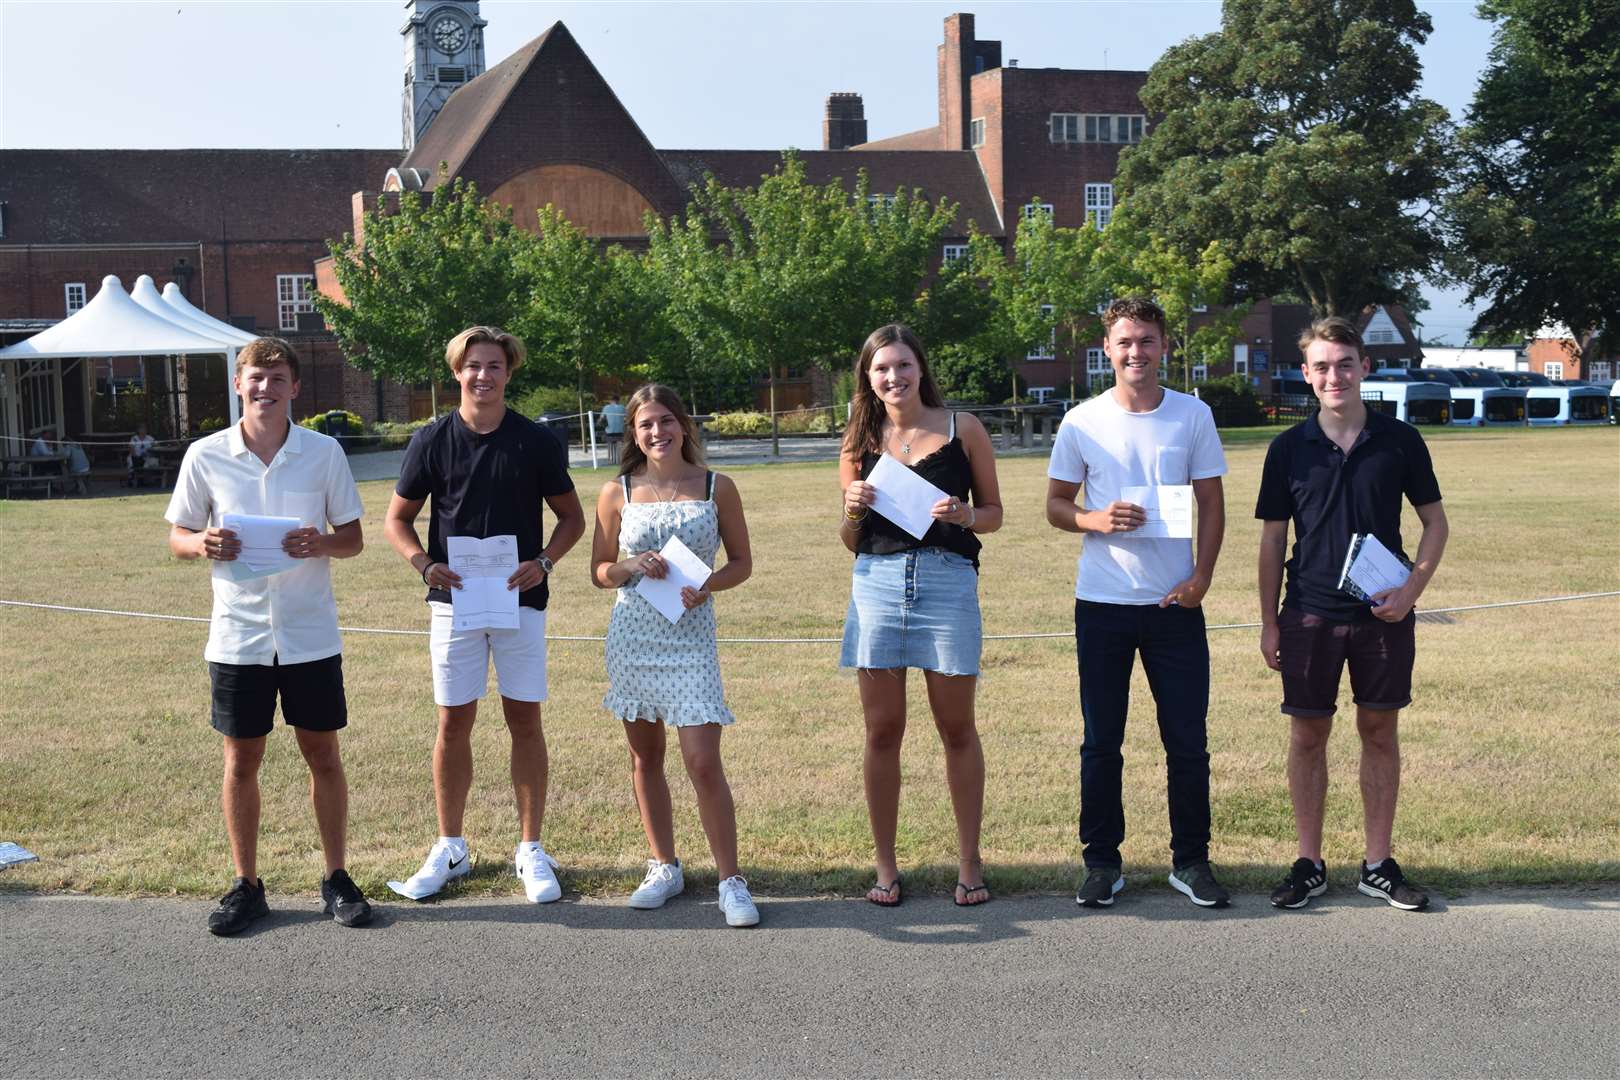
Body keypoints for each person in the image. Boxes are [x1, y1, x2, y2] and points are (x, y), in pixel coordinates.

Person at [164, 336, 372, 935]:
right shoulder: (205, 455)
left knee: (323, 756)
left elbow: (353, 538)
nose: (265, 388)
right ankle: (246, 885)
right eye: (255, 378)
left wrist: (321, 542)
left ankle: (336, 878)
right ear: (238, 385)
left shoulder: (323, 453)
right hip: (239, 635)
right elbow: (177, 537)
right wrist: (200, 543)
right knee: (241, 759)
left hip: (309, 633)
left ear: (294, 387)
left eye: (277, 378)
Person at [384, 326, 586, 904]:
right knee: (454, 722)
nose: (483, 376)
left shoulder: (536, 441)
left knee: (525, 720)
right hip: (453, 603)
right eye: (473, 366)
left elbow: (571, 519)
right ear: (457, 372)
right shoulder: (430, 440)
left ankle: (530, 849)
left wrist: (543, 562)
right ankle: (451, 847)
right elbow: (397, 521)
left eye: (494, 366)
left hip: (521, 600)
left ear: (508, 373)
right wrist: (425, 565)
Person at [1257, 317, 1448, 911]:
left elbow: (1435, 523)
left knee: (1379, 733)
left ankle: (1377, 865)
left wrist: (1412, 591)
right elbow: (1271, 541)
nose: (1333, 375)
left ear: (1365, 367)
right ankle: (1309, 863)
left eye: (1344, 363)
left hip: (1382, 614)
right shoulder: (1288, 448)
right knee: (1308, 735)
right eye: (1322, 366)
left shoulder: (1400, 440)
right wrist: (1268, 621)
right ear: (1307, 375)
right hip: (1309, 613)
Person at [1045, 297, 1230, 910]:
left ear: (1164, 347)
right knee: (1102, 740)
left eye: (1147, 341)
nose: (1136, 352)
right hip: (1102, 604)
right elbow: (1055, 506)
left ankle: (1192, 861)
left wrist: (1202, 576)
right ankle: (1101, 864)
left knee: (1187, 740)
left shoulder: (1192, 416)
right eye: (1125, 342)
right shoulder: (1081, 422)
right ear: (1107, 351)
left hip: (1175, 605)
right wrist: (1092, 518)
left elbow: (1211, 503)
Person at [839, 324, 1002, 907]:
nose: (893, 377)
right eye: (881, 368)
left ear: (920, 368)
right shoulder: (858, 438)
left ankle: (970, 863)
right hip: (877, 586)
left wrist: (964, 514)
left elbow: (995, 515)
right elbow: (849, 539)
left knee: (956, 729)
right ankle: (885, 866)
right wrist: (853, 508)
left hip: (947, 584)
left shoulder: (964, 429)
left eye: (903, 365)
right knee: (882, 731)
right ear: (868, 377)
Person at [590, 384, 759, 927]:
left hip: (691, 641)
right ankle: (664, 865)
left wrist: (709, 584)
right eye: (645, 425)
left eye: (665, 421)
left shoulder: (717, 487)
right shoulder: (616, 491)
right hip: (633, 639)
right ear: (633, 433)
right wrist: (630, 565)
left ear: (683, 425)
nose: (657, 432)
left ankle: (731, 881)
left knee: (703, 761)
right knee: (646, 758)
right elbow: (599, 572)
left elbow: (742, 563)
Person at [600, 393, 627, 461]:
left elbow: (601, 419)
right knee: (620, 439)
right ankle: (619, 458)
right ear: (618, 400)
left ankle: (611, 458)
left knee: (607, 433)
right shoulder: (622, 407)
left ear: (611, 400)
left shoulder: (606, 407)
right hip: (620, 432)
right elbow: (626, 418)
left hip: (610, 432)